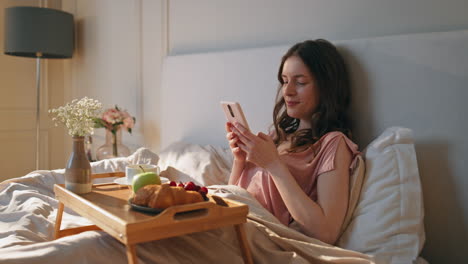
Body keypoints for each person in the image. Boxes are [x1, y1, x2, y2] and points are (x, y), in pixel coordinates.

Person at [225, 39, 361, 245]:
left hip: (258, 240)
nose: (287, 91)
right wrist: (240, 162)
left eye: (300, 82)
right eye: (285, 80)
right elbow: (233, 200)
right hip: (230, 227)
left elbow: (326, 232)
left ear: (326, 87)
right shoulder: (276, 137)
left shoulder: (332, 144)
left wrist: (274, 165)